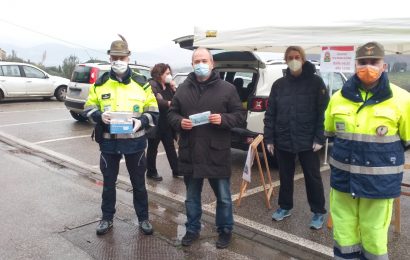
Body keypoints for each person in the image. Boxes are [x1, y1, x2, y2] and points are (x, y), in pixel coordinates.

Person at [324, 42, 410, 259]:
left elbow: (407, 139)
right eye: (363, 62)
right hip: (344, 182)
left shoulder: (402, 99)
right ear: (355, 65)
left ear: (384, 66)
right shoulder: (337, 98)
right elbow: (330, 131)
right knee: (344, 234)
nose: (368, 66)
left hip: (379, 186)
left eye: (374, 62)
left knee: (374, 237)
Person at [168, 47, 246, 249]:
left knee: (224, 197)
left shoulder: (227, 89)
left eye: (204, 60)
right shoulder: (183, 88)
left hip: (216, 151)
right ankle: (192, 229)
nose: (200, 64)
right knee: (192, 198)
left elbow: (240, 115)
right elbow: (171, 113)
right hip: (190, 150)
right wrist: (179, 122)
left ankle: (225, 229)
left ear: (212, 64)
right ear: (192, 64)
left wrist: (223, 119)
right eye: (197, 61)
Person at [83, 35, 159, 236]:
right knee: (108, 185)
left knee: (139, 185)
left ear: (128, 58)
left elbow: (153, 110)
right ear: (110, 58)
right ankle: (106, 219)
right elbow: (88, 107)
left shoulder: (141, 83)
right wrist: (100, 116)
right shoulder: (100, 84)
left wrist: (141, 121)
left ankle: (143, 219)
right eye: (115, 57)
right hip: (109, 144)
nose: (118, 61)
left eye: (122, 57)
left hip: (135, 144)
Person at [263, 46, 329, 229]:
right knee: (285, 176)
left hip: (308, 140)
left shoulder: (316, 83)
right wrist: (269, 138)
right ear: (286, 59)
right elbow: (270, 113)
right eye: (290, 57)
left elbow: (323, 112)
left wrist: (319, 137)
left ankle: (318, 211)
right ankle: (285, 207)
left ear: (303, 59)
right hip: (283, 138)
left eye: (297, 56)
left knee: (312, 177)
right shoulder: (279, 85)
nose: (294, 59)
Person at [145, 63, 178, 181]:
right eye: (167, 74)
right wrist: (168, 103)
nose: (169, 76)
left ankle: (177, 169)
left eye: (170, 73)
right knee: (153, 148)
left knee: (170, 147)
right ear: (160, 74)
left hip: (166, 122)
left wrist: (174, 88)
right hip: (155, 123)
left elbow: (177, 99)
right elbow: (155, 101)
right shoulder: (152, 84)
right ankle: (151, 171)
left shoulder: (168, 86)